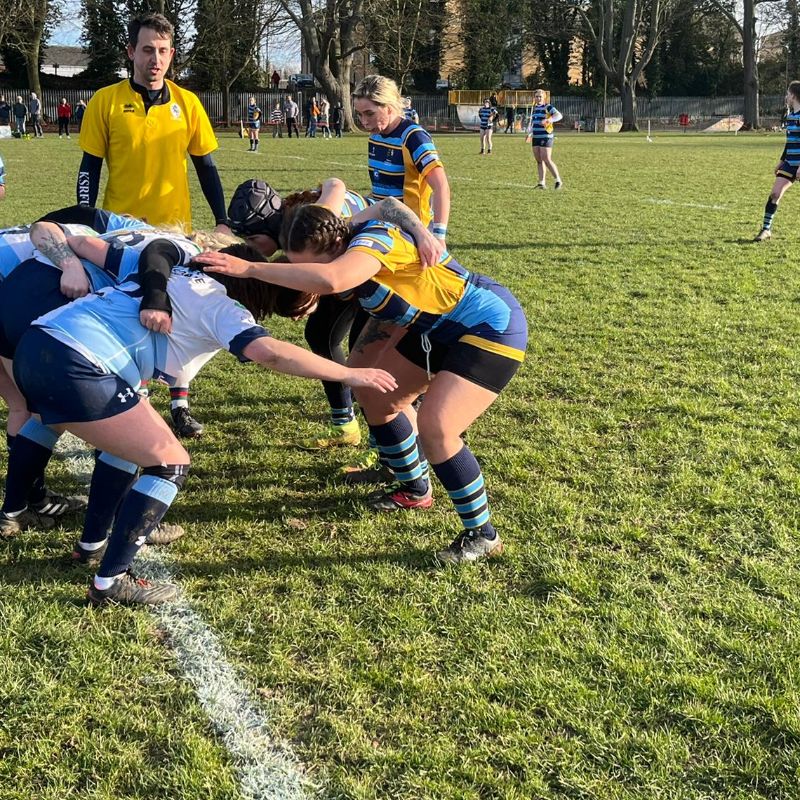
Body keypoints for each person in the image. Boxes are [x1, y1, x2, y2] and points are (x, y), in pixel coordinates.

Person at [10, 239, 397, 605]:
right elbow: (271, 353)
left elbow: (149, 251)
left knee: (127, 447)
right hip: (77, 362)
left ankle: (91, 545)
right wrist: (349, 374)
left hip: (38, 338)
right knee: (169, 461)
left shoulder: (172, 269)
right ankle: (111, 580)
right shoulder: (221, 305)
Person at [199, 205, 527, 565]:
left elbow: (334, 279)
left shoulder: (372, 242)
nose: (304, 275)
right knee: (372, 391)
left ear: (336, 244)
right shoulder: (341, 230)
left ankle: (483, 534)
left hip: (487, 324)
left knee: (437, 428)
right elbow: (388, 205)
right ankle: (414, 488)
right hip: (431, 326)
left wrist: (248, 268)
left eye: (309, 265)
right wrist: (419, 229)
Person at [77, 11, 231, 438]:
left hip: (174, 232)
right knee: (131, 314)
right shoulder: (105, 101)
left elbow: (207, 168)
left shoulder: (188, 103)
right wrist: (86, 220)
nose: (155, 59)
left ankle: (180, 406)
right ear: (131, 52)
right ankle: (136, 402)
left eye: (163, 51)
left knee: (178, 311)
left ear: (172, 54)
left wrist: (221, 221)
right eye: (147, 50)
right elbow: (88, 167)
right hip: (120, 232)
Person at [226, 177, 441, 450]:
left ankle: (388, 444)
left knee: (363, 364)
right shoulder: (297, 231)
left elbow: (335, 277)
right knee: (320, 334)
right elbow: (333, 185)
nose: (253, 248)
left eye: (253, 238)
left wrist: (423, 233)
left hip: (384, 271)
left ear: (271, 227)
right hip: (350, 268)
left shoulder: (318, 226)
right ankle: (346, 424)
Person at [353, 74, 451, 241]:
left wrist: (439, 236)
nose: (364, 121)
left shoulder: (413, 137)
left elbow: (441, 186)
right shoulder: (376, 136)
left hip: (412, 231)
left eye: (369, 114)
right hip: (382, 225)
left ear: (389, 108)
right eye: (360, 114)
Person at [754, 81, 800, 242]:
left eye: (788, 94)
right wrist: (782, 160)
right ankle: (766, 229)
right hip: (790, 163)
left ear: (793, 96)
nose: (786, 97)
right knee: (775, 193)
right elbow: (790, 141)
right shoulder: (790, 116)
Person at [526, 88, 563, 189]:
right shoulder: (534, 109)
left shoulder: (548, 107)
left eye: (540, 96)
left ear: (544, 97)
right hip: (536, 136)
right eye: (537, 96)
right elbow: (533, 124)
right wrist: (529, 134)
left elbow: (559, 115)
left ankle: (558, 180)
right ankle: (541, 183)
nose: (538, 98)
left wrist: (548, 119)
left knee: (546, 159)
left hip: (546, 136)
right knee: (539, 160)